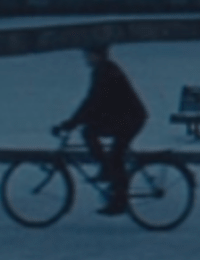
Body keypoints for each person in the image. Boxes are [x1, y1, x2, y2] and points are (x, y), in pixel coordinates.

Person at [58, 43, 147, 215]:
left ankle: (119, 199)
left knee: (116, 155)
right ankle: (108, 172)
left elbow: (95, 101)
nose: (86, 59)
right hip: (122, 116)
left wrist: (73, 122)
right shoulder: (103, 70)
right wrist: (76, 121)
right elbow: (95, 102)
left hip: (131, 118)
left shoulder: (107, 72)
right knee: (92, 134)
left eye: (89, 55)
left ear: (99, 56)